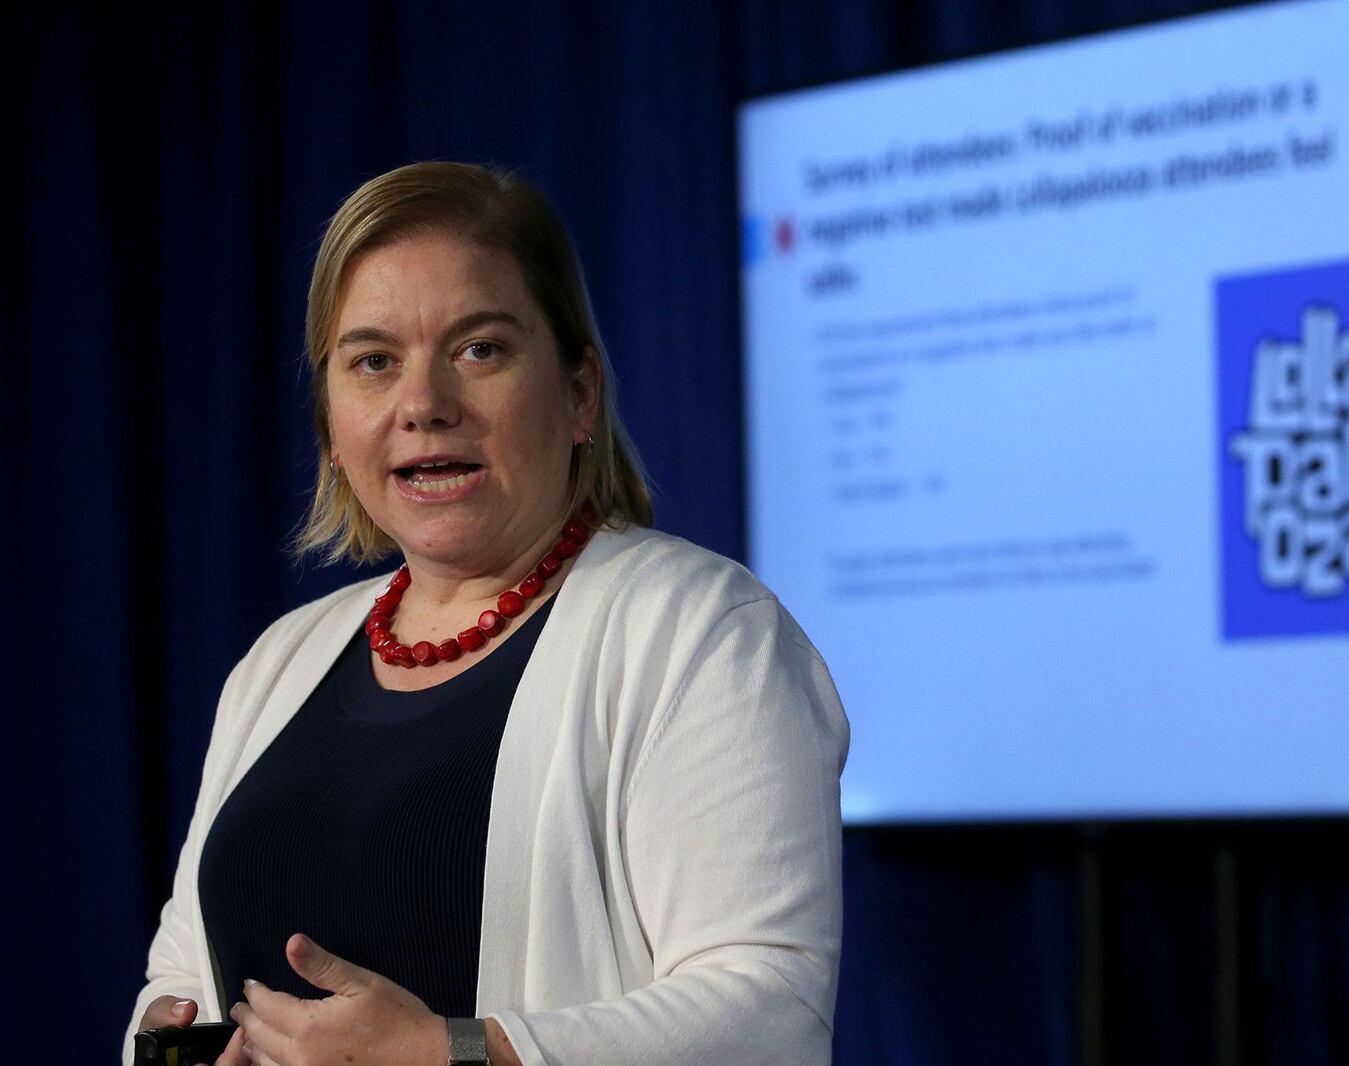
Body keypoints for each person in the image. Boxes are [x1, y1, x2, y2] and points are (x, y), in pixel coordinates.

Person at [125, 161, 849, 1066]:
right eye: (374, 362)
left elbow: (767, 1007)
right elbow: (179, 975)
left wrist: (457, 1054)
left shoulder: (703, 632)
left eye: (481, 350)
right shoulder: (280, 661)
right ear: (330, 425)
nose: (423, 406)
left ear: (579, 392)